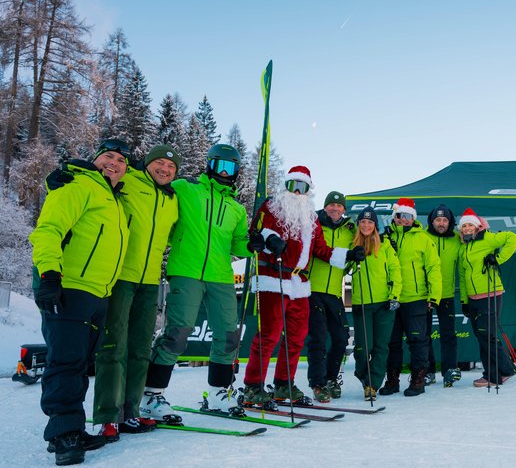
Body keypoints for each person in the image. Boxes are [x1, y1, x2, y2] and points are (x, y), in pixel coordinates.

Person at [30, 139, 131, 465]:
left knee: (80, 363)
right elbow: (48, 230)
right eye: (108, 156)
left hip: (98, 293)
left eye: (121, 160)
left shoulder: (115, 200)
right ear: (95, 159)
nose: (114, 163)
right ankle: (63, 437)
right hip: (69, 287)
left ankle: (69, 425)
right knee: (65, 360)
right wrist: (48, 276)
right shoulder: (78, 184)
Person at [139, 144, 251, 421]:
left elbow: (239, 244)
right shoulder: (186, 189)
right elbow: (153, 189)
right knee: (177, 334)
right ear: (209, 165)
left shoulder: (236, 208)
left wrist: (257, 243)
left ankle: (218, 393)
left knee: (228, 336)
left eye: (231, 167)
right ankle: (152, 395)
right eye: (220, 165)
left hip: (221, 276)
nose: (225, 172)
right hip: (186, 271)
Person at [242, 166, 364, 404]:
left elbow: (320, 250)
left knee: (297, 337)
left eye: (303, 187)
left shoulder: (311, 218)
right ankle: (253, 385)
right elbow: (255, 233)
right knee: (269, 335)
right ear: (286, 186)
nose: (298, 192)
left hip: (300, 281)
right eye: (293, 186)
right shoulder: (271, 207)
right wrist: (270, 239)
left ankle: (283, 384)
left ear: (309, 190)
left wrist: (348, 255)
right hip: (274, 278)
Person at [91, 145, 181, 441]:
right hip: (120, 277)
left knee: (141, 349)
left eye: (171, 166)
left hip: (150, 281)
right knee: (113, 347)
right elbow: (98, 177)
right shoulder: (129, 180)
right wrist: (65, 173)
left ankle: (130, 412)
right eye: (159, 163)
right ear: (147, 164)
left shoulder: (172, 201)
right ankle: (107, 416)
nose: (165, 169)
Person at [379, 198, 442, 397]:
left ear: (412, 218)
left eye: (407, 216)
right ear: (394, 217)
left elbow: (433, 268)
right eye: (399, 216)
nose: (403, 220)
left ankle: (418, 379)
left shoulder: (423, 238)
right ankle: (392, 379)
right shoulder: (384, 237)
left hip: (416, 298)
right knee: (392, 342)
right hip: (390, 298)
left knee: (418, 341)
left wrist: (434, 296)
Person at [456, 208, 516, 388]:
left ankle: (494, 375)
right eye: (464, 226)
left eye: (470, 225)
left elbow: (513, 238)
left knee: (487, 336)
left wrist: (497, 258)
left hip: (491, 293)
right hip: (473, 298)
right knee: (482, 335)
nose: (467, 228)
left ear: (477, 227)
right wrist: (464, 301)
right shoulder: (463, 247)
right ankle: (505, 369)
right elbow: (462, 275)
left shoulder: (488, 238)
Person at [306, 191, 355, 403]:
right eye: (331, 205)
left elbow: (353, 257)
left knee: (341, 337)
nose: (335, 208)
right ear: (325, 207)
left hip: (335, 291)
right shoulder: (315, 224)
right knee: (317, 338)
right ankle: (317, 384)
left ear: (344, 209)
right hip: (313, 289)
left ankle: (331, 379)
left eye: (339, 205)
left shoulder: (349, 231)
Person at [350, 207, 402, 400]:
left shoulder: (386, 246)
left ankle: (372, 385)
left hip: (384, 304)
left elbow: (395, 271)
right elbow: (345, 267)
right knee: (363, 347)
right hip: (361, 303)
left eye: (370, 222)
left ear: (375, 226)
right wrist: (351, 256)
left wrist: (394, 296)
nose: (366, 225)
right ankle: (363, 374)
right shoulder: (352, 244)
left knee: (381, 347)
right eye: (363, 221)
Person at [423, 204, 462, 387]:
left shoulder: (457, 239)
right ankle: (427, 371)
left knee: (448, 335)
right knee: (424, 335)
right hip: (425, 295)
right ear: (432, 221)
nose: (441, 223)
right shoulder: (422, 236)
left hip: (446, 295)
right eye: (438, 220)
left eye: (445, 220)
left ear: (450, 222)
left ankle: (450, 369)